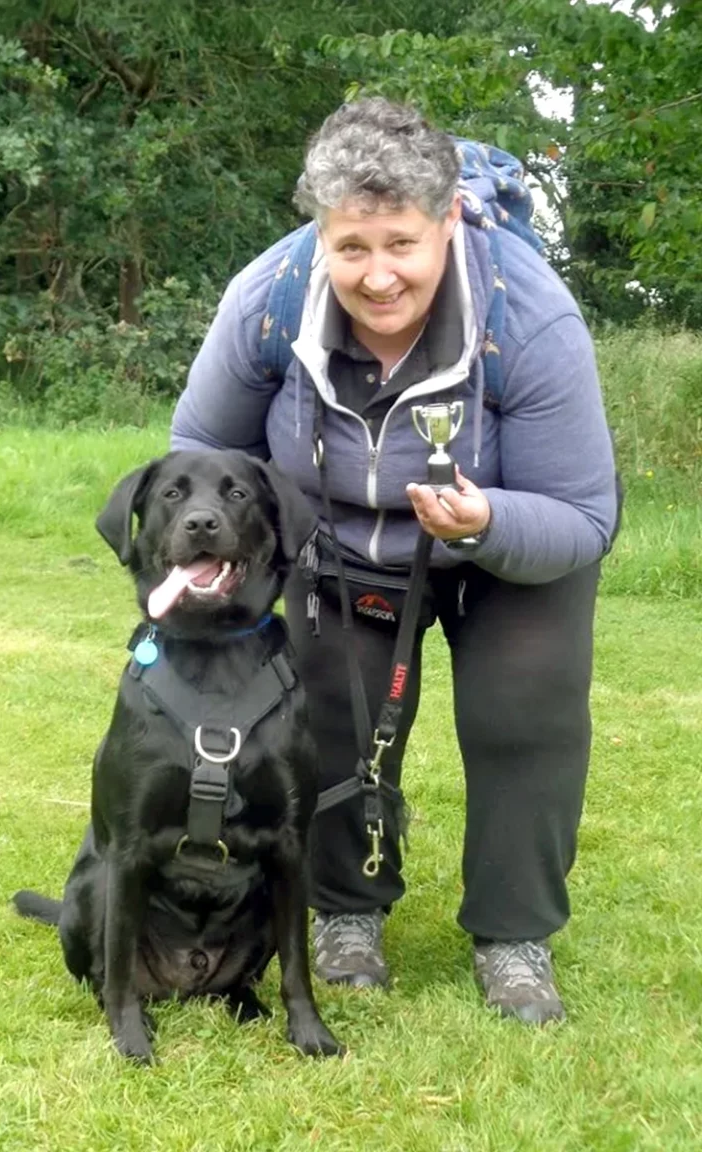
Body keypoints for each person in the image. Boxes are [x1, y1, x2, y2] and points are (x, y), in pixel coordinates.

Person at [170, 98, 618, 1024]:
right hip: (341, 548)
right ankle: (346, 913)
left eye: (402, 245)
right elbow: (203, 451)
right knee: (334, 711)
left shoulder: (529, 317)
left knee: (522, 719)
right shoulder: (269, 298)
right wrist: (254, 554)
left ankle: (513, 934)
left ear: (448, 221)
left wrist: (486, 520)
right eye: (352, 248)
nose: (378, 277)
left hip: (510, 547)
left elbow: (584, 513)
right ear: (319, 233)